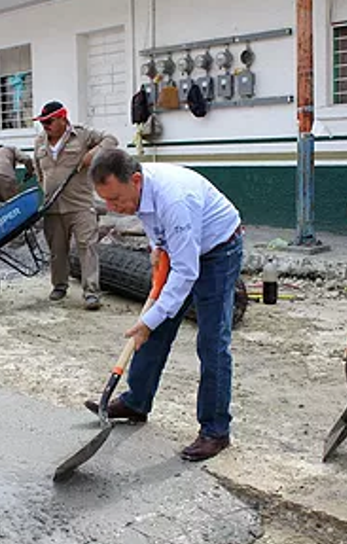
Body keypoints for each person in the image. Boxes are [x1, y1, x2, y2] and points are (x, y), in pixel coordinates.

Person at [87, 148, 244, 461]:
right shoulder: (138, 189)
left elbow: (187, 271)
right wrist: (158, 246)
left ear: (134, 180)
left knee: (212, 342)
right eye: (105, 200)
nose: (112, 207)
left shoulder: (175, 200)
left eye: (115, 199)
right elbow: (154, 224)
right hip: (179, 248)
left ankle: (215, 430)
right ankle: (136, 402)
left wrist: (150, 318)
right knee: (154, 329)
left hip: (218, 249)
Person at [32, 101, 117, 311]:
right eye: (42, 122)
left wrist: (93, 154)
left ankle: (91, 292)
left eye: (49, 121)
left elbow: (111, 140)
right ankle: (59, 286)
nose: (45, 126)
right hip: (52, 207)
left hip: (80, 205)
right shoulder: (39, 142)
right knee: (56, 250)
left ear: (62, 118)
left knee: (87, 247)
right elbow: (38, 172)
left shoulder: (82, 136)